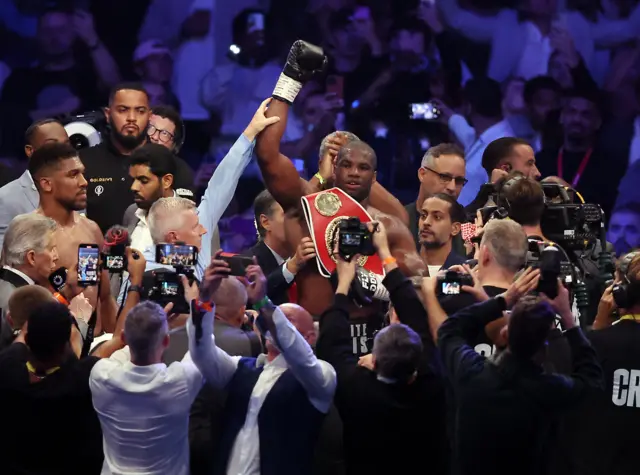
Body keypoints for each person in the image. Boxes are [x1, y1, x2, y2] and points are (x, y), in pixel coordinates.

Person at [255, 40, 425, 317]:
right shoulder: (305, 209)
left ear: (374, 176)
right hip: (318, 335)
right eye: (345, 164)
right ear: (333, 167)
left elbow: (418, 282)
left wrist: (376, 286)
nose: (354, 172)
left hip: (373, 343)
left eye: (362, 167)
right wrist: (290, 79)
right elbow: (267, 154)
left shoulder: (387, 226)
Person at [436, 270, 604, 475]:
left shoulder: (470, 373)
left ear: (505, 334)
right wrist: (568, 318)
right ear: (544, 350)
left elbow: (449, 330)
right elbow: (592, 380)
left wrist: (502, 300)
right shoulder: (549, 391)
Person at [316, 221, 448, 475]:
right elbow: (417, 317)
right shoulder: (433, 382)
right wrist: (385, 253)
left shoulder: (356, 389)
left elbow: (331, 343)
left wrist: (344, 281)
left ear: (373, 362)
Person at [117, 99, 280, 303]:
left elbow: (221, 183)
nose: (202, 231)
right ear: (173, 238)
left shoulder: (189, 220)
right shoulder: (139, 242)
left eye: (142, 180)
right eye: (195, 228)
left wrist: (250, 132)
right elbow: (124, 307)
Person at [188, 254, 337, 475]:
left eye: (289, 320)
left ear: (309, 337)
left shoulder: (322, 375)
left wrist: (264, 304)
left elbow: (299, 355)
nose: (270, 322)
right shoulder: (240, 368)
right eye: (276, 317)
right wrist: (205, 299)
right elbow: (201, 352)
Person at [90, 300, 202, 475]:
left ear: (124, 338)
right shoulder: (181, 380)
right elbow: (202, 349)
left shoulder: (101, 376)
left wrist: (145, 329)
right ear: (166, 341)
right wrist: (198, 303)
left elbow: (107, 357)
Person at [30, 142, 118, 334]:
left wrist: (115, 343)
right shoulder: (29, 234)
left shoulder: (91, 229)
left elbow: (105, 297)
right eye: (73, 175)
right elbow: (19, 305)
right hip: (52, 349)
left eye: (82, 173)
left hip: (95, 347)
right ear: (47, 184)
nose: (84, 182)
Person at [81, 83, 191, 233]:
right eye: (123, 110)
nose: (131, 118)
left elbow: (187, 227)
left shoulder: (172, 167)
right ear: (108, 114)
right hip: (95, 253)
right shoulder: (83, 163)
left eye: (140, 111)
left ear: (149, 116)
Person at [425, 219, 529, 358]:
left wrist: (430, 292)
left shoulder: (453, 298)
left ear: (485, 254)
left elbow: (442, 341)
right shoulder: (532, 307)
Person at [537, 89, 627, 219]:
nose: (577, 119)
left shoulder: (610, 166)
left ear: (597, 123)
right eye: (572, 112)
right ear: (562, 118)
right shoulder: (542, 160)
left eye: (586, 114)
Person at [0, 118, 70, 249]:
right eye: (51, 145)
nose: (61, 152)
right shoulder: (6, 198)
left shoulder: (74, 192)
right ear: (30, 151)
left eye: (66, 144)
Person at [0, 214, 59, 346]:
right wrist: (79, 321)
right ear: (31, 257)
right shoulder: (26, 303)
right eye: (51, 249)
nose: (56, 256)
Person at [249, 189, 316, 304]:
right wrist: (293, 265)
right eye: (289, 215)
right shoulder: (249, 263)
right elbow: (255, 298)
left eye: (300, 215)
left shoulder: (313, 257)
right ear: (266, 222)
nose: (299, 222)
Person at [405, 143, 467, 253]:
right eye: (444, 177)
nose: (452, 187)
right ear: (422, 174)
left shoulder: (468, 228)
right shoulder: (400, 220)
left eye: (458, 181)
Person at [465, 137, 542, 214]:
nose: (538, 173)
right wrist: (492, 190)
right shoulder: (470, 217)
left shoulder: (539, 204)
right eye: (529, 163)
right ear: (506, 169)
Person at [419, 193, 467, 276]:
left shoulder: (463, 272)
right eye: (423, 215)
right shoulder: (404, 269)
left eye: (437, 217)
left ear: (455, 229)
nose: (426, 222)